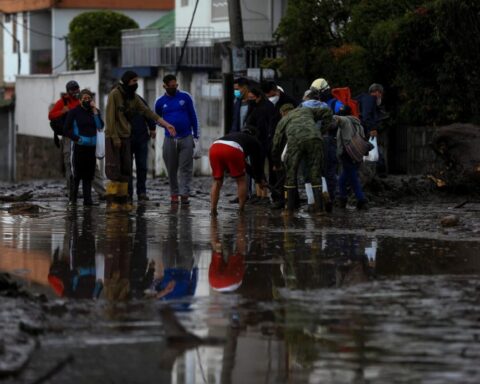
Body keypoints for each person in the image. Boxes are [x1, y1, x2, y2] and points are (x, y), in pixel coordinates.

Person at [105, 70, 175, 211]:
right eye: (134, 81)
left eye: (137, 81)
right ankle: (113, 202)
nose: (136, 84)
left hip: (128, 137)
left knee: (127, 170)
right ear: (126, 81)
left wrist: (165, 124)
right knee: (114, 170)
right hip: (115, 138)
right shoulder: (115, 95)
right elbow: (110, 118)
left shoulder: (134, 97)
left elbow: (147, 112)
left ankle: (124, 200)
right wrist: (114, 137)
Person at [49, 80, 106, 201]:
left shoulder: (88, 105)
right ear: (68, 91)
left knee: (92, 167)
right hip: (70, 137)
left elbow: (100, 125)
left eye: (77, 89)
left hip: (87, 140)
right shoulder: (63, 102)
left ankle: (101, 191)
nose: (75, 91)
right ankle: (72, 193)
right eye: (72, 90)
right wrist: (63, 111)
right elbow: (51, 115)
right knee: (71, 164)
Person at [271, 106, 333, 213]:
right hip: (315, 138)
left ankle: (289, 210)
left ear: (283, 112)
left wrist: (276, 162)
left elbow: (276, 142)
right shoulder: (306, 109)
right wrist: (322, 130)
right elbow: (328, 111)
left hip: (295, 141)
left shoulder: (284, 119)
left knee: (291, 174)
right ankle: (319, 210)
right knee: (315, 173)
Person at [154, 74, 199, 205]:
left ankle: (184, 194)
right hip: (169, 139)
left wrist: (196, 137)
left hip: (186, 137)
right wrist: (166, 125)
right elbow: (156, 119)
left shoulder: (185, 97)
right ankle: (174, 194)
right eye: (171, 86)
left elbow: (194, 116)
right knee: (171, 169)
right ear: (165, 86)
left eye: (176, 85)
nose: (174, 88)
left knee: (186, 168)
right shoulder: (160, 101)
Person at [208, 130, 268, 216]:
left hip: (215, 147)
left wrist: (257, 178)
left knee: (217, 181)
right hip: (233, 149)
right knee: (241, 180)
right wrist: (259, 180)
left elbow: (247, 166)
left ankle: (213, 210)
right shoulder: (254, 142)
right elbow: (256, 164)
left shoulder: (235, 135)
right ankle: (241, 209)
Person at [63, 89, 104, 206]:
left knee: (89, 175)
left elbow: (100, 126)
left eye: (89, 98)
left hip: (92, 147)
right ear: (80, 100)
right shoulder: (74, 112)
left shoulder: (94, 112)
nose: (87, 100)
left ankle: (88, 200)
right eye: (84, 98)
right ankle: (73, 199)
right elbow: (66, 129)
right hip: (79, 147)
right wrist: (76, 138)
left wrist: (95, 111)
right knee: (77, 175)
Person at [310, 78, 345, 204]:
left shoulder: (336, 103)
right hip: (317, 140)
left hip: (330, 140)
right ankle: (321, 197)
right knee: (318, 171)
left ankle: (332, 197)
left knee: (329, 170)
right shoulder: (315, 103)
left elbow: (340, 119)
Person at [335, 114, 368, 209]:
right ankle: (343, 199)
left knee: (353, 178)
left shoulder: (344, 121)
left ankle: (361, 200)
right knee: (343, 179)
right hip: (358, 153)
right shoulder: (358, 124)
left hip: (347, 154)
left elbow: (338, 119)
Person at [356, 83, 389, 176]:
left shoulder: (365, 100)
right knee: (375, 153)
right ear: (378, 93)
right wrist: (372, 129)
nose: (381, 97)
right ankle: (381, 174)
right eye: (381, 94)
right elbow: (366, 116)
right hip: (364, 132)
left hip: (362, 132)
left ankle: (379, 174)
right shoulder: (370, 99)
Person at [128, 96, 157, 202]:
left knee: (142, 166)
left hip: (141, 137)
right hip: (126, 139)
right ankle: (128, 192)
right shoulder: (118, 101)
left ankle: (141, 192)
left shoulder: (138, 99)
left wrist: (152, 127)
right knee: (127, 167)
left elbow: (147, 113)